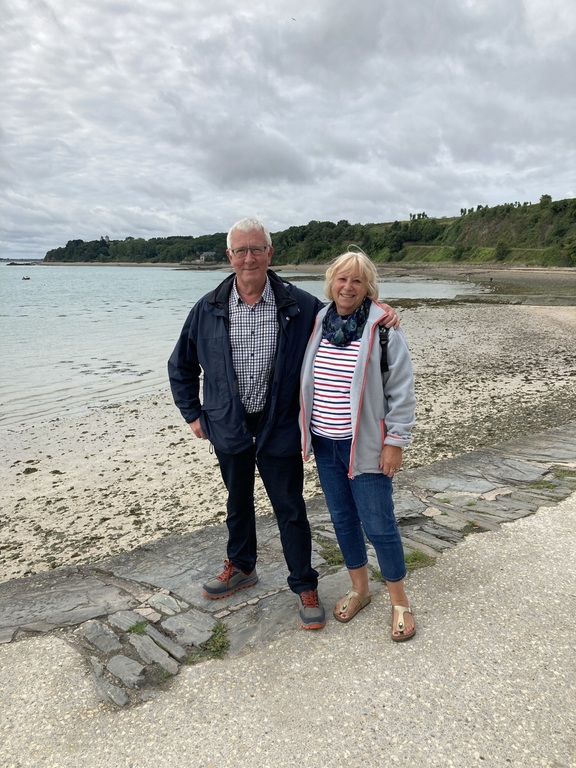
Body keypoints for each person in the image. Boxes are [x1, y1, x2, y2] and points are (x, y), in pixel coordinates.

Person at [168, 219, 399, 630]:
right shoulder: (207, 308)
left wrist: (383, 313)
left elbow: (345, 312)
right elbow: (180, 365)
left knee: (290, 510)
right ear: (230, 257)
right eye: (241, 250)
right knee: (237, 504)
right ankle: (241, 566)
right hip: (229, 426)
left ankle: (304, 585)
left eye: (257, 248)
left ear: (270, 254)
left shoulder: (300, 304)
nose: (249, 257)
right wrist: (192, 415)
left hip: (280, 426)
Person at [299, 249, 417, 641]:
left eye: (357, 280)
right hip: (325, 444)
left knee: (380, 525)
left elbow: (401, 390)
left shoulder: (383, 328)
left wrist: (394, 441)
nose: (348, 287)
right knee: (343, 521)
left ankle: (400, 601)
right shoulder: (319, 320)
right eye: (341, 279)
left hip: (364, 445)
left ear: (369, 287)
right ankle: (360, 589)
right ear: (331, 282)